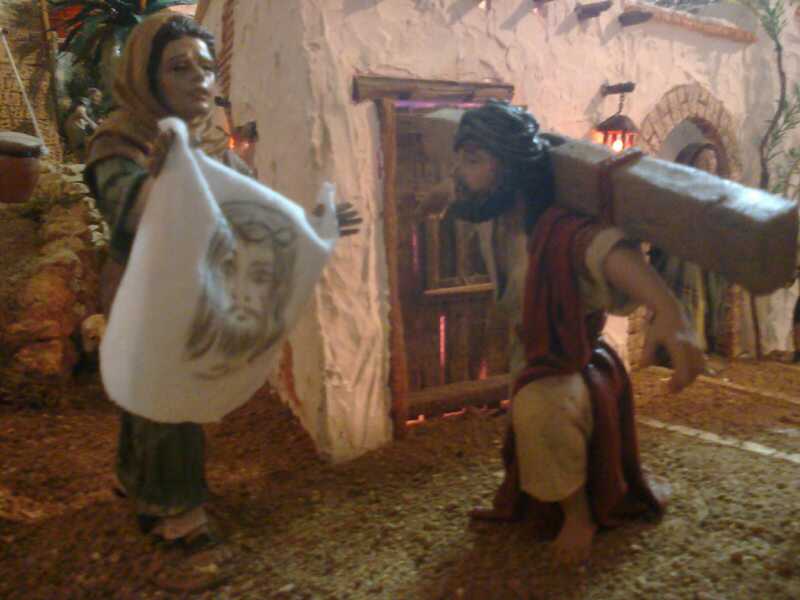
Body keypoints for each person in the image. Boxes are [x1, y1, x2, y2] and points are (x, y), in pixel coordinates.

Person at [83, 12, 359, 587]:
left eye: (206, 68)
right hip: (147, 290)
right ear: (146, 76)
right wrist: (167, 177)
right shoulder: (120, 142)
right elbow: (134, 211)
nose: (199, 80)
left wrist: (315, 224)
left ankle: (138, 479)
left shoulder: (210, 144)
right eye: (179, 67)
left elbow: (259, 212)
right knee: (169, 396)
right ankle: (178, 518)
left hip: (196, 288)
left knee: (153, 396)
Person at [420, 101, 704, 565]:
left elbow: (608, 253)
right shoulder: (494, 208)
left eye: (472, 159)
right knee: (526, 420)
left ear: (509, 169)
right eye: (461, 158)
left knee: (539, 410)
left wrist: (670, 309)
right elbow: (462, 188)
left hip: (568, 355)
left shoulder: (559, 230)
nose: (459, 172)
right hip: (532, 348)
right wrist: (442, 194)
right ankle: (536, 498)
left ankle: (579, 516)